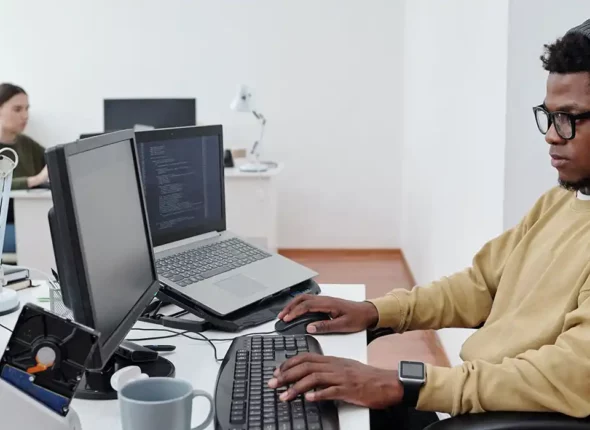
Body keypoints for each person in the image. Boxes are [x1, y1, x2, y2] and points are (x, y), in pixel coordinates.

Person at [269, 19, 590, 430]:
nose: (551, 135)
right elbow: (481, 286)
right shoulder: (561, 199)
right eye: (548, 116)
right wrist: (377, 313)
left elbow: (566, 376)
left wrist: (405, 383)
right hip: (473, 399)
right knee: (296, 406)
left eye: (569, 118)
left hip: (500, 418)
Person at [0, 83, 48, 190]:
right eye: (17, 109)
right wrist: (36, 179)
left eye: (27, 109)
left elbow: (52, 160)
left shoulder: (26, 143)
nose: (25, 116)